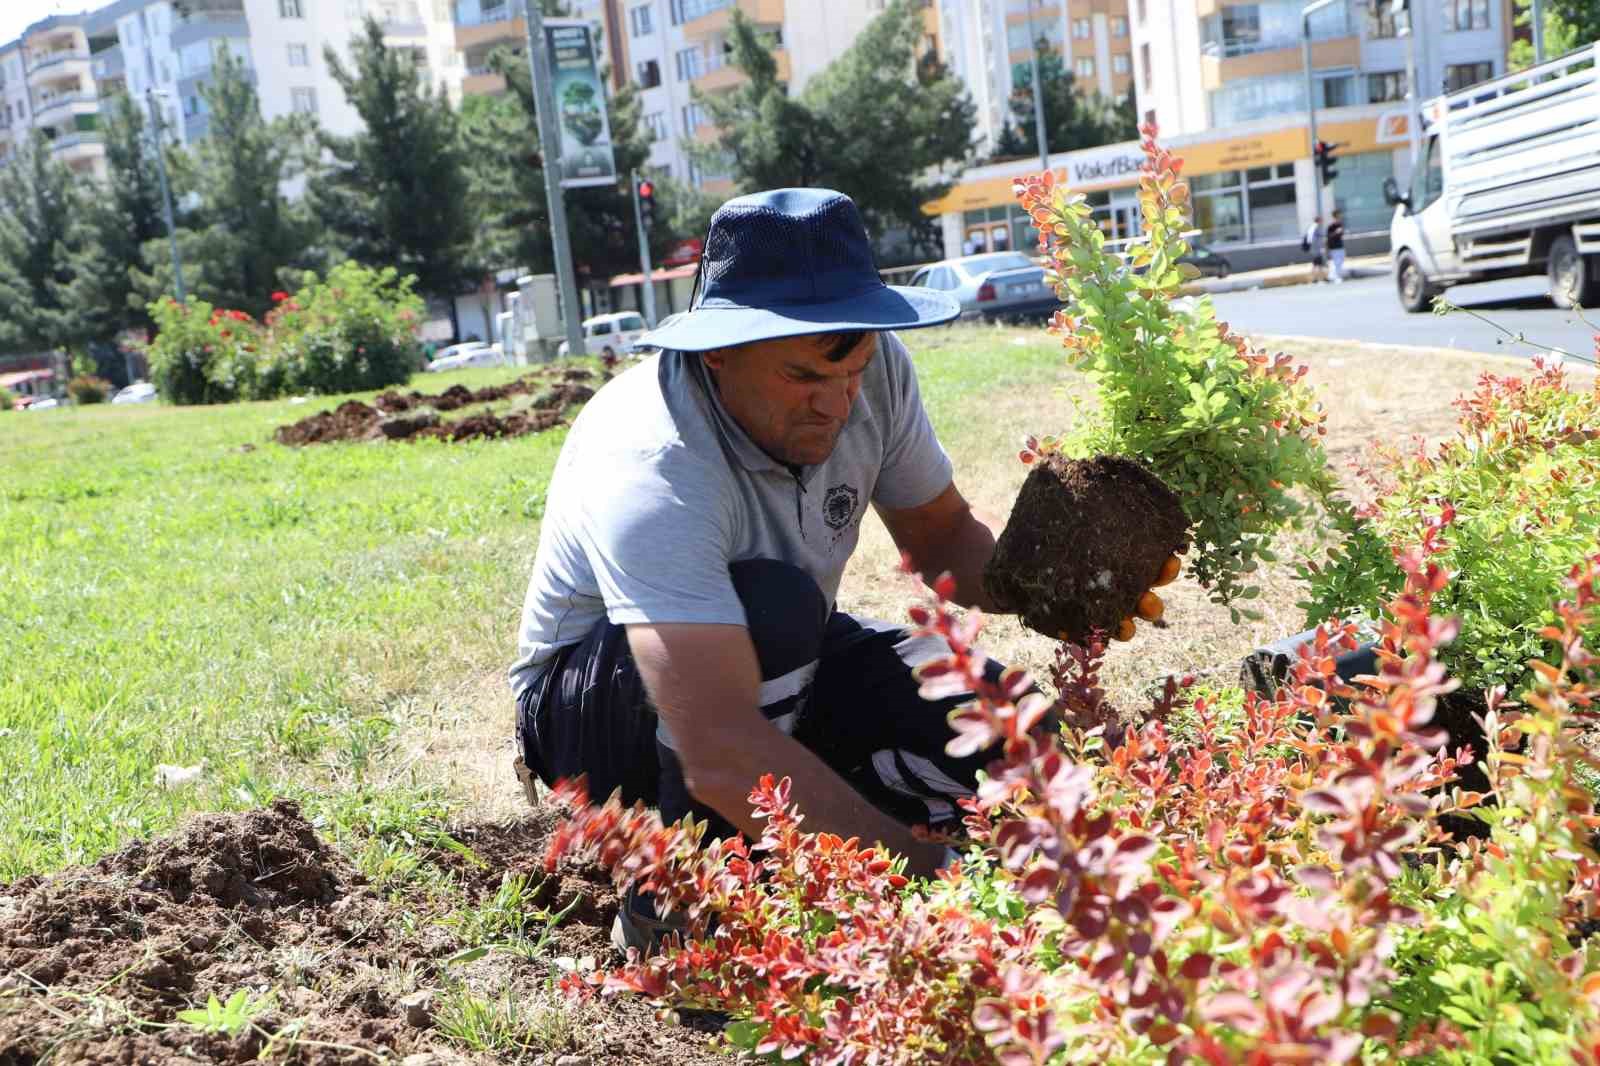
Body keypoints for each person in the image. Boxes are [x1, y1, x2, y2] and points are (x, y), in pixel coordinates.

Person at [508, 188, 1164, 951]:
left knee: (1014, 734)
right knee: (776, 610)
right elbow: (717, 742)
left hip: (777, 664)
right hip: (599, 717)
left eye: (850, 371)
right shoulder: (655, 459)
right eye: (803, 378)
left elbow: (942, 534)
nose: (838, 405)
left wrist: (1048, 582)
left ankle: (812, 806)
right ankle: (675, 904)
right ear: (717, 350)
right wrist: (934, 872)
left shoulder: (871, 368)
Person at [1302, 215, 1326, 282]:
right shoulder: (1316, 227)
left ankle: (1317, 278)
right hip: (1316, 249)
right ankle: (1318, 278)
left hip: (1315, 249)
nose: (1322, 221)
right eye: (1321, 220)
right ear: (1319, 220)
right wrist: (1319, 247)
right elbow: (1313, 239)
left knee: (1317, 264)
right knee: (1318, 263)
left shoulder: (1313, 227)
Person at [1326, 209, 1346, 284]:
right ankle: (1337, 277)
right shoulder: (1331, 225)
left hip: (1340, 245)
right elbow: (1329, 236)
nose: (1340, 216)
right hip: (1334, 247)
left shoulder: (1340, 224)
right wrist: (1336, 232)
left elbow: (1341, 235)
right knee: (1336, 262)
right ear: (1336, 215)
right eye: (1339, 214)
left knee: (1340, 261)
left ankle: (1331, 276)